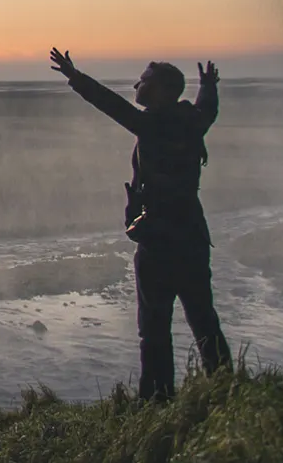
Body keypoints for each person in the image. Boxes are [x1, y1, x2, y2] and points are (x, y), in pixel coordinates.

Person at [48, 47, 231, 401]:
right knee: (204, 319)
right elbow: (208, 107)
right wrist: (208, 85)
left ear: (162, 89)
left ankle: (157, 400)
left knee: (154, 328)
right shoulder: (192, 121)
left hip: (159, 241)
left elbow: (111, 105)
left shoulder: (152, 125)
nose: (137, 85)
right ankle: (226, 388)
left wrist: (75, 77)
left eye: (144, 81)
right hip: (191, 236)